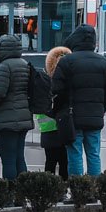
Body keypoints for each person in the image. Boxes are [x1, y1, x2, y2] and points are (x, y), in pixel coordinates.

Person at [51, 24, 106, 177]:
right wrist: (102, 108)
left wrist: (60, 109)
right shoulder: (104, 62)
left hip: (72, 118)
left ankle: (78, 190)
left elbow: (56, 89)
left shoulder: (67, 61)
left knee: (74, 154)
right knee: (94, 154)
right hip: (95, 117)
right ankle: (94, 189)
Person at [0, 34, 33, 181]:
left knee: (8, 160)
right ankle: (22, 193)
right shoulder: (25, 64)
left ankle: (10, 194)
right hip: (23, 117)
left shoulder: (4, 67)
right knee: (19, 157)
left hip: (6, 120)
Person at [41, 46, 71, 179]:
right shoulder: (69, 80)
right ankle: (63, 189)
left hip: (47, 127)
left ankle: (50, 189)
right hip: (65, 125)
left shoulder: (44, 80)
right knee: (64, 162)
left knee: (50, 161)